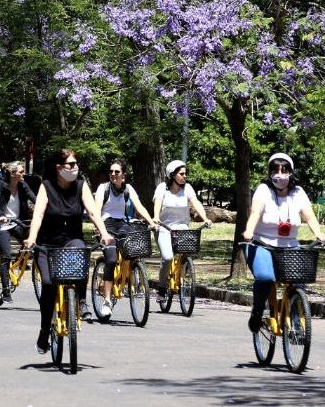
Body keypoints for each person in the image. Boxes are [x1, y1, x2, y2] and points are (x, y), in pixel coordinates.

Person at [24, 149, 114, 354]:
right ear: (59, 168)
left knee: (81, 252)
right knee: (48, 285)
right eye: (70, 164)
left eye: (76, 164)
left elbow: (92, 211)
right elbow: (37, 215)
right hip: (47, 243)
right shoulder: (46, 187)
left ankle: (81, 301)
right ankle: (44, 330)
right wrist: (31, 238)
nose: (75, 168)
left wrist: (104, 233)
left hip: (71, 240)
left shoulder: (81, 186)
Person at [242, 152, 325, 332]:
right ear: (270, 172)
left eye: (284, 170)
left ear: (291, 173)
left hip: (290, 246)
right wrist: (249, 231)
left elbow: (309, 216)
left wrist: (319, 233)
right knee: (265, 278)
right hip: (262, 244)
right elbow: (255, 212)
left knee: (298, 282)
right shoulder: (264, 190)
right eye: (275, 170)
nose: (279, 174)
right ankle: (257, 311)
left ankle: (296, 321)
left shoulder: (298, 192)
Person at [93, 158, 156, 318]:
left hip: (122, 224)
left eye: (117, 172)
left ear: (123, 176)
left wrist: (151, 222)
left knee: (135, 248)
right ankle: (107, 300)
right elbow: (97, 208)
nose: (113, 174)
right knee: (112, 260)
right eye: (111, 172)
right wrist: (100, 229)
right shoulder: (103, 188)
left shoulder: (128, 189)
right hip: (106, 224)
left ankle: (129, 275)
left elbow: (139, 206)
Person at [153, 160, 212, 304]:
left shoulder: (188, 188)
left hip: (182, 228)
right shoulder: (162, 188)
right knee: (167, 258)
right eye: (181, 174)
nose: (184, 176)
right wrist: (155, 218)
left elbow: (195, 202)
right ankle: (161, 288)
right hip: (164, 228)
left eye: (185, 174)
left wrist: (205, 218)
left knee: (188, 251)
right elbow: (157, 203)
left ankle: (184, 276)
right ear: (172, 175)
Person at [0, 161, 37, 303]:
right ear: (12, 174)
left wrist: (46, 208)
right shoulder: (1, 185)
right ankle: (5, 290)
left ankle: (17, 262)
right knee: (6, 255)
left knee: (32, 241)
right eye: (21, 172)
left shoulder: (22, 185)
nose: (23, 174)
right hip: (2, 224)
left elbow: (34, 198)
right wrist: (0, 215)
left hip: (17, 223)